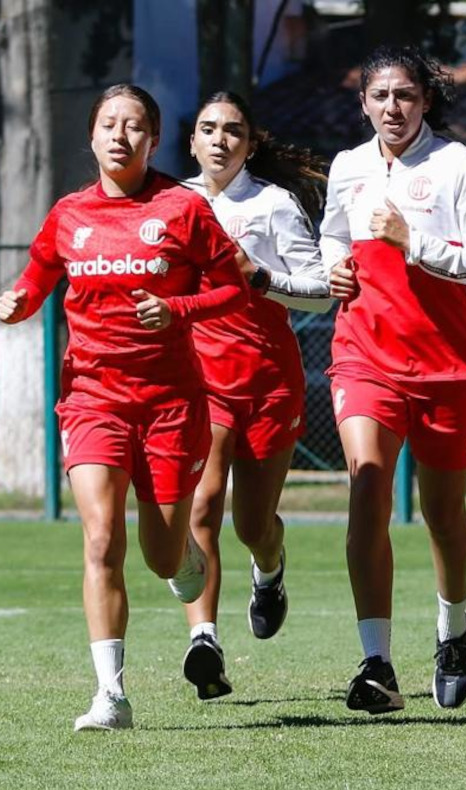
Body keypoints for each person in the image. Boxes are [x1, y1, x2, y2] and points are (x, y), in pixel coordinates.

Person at [0, 84, 249, 730]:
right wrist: (18, 303)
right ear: (91, 137)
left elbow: (231, 289)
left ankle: (186, 556)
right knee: (101, 537)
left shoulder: (181, 208)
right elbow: (36, 279)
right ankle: (111, 693)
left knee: (162, 557)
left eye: (134, 125)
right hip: (92, 400)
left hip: (169, 404)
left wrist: (177, 309)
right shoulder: (68, 215)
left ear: (154, 139)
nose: (120, 135)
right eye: (109, 124)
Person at [319, 45, 466, 713]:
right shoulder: (347, 168)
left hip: (447, 368)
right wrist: (335, 265)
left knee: (442, 514)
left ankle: (453, 632)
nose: (392, 107)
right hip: (364, 357)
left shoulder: (458, 165)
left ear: (425, 101)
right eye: (380, 96)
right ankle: (377, 665)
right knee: (366, 489)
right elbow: (333, 238)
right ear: (363, 103)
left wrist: (412, 242)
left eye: (405, 96)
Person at [178, 91, 333, 700]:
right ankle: (205, 642)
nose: (219, 139)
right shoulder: (174, 203)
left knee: (252, 523)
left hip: (268, 380)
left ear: (250, 143)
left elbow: (321, 291)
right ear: (191, 141)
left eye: (233, 131)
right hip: (200, 379)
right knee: (203, 504)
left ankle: (269, 568)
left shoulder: (272, 205)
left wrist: (261, 279)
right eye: (208, 129)